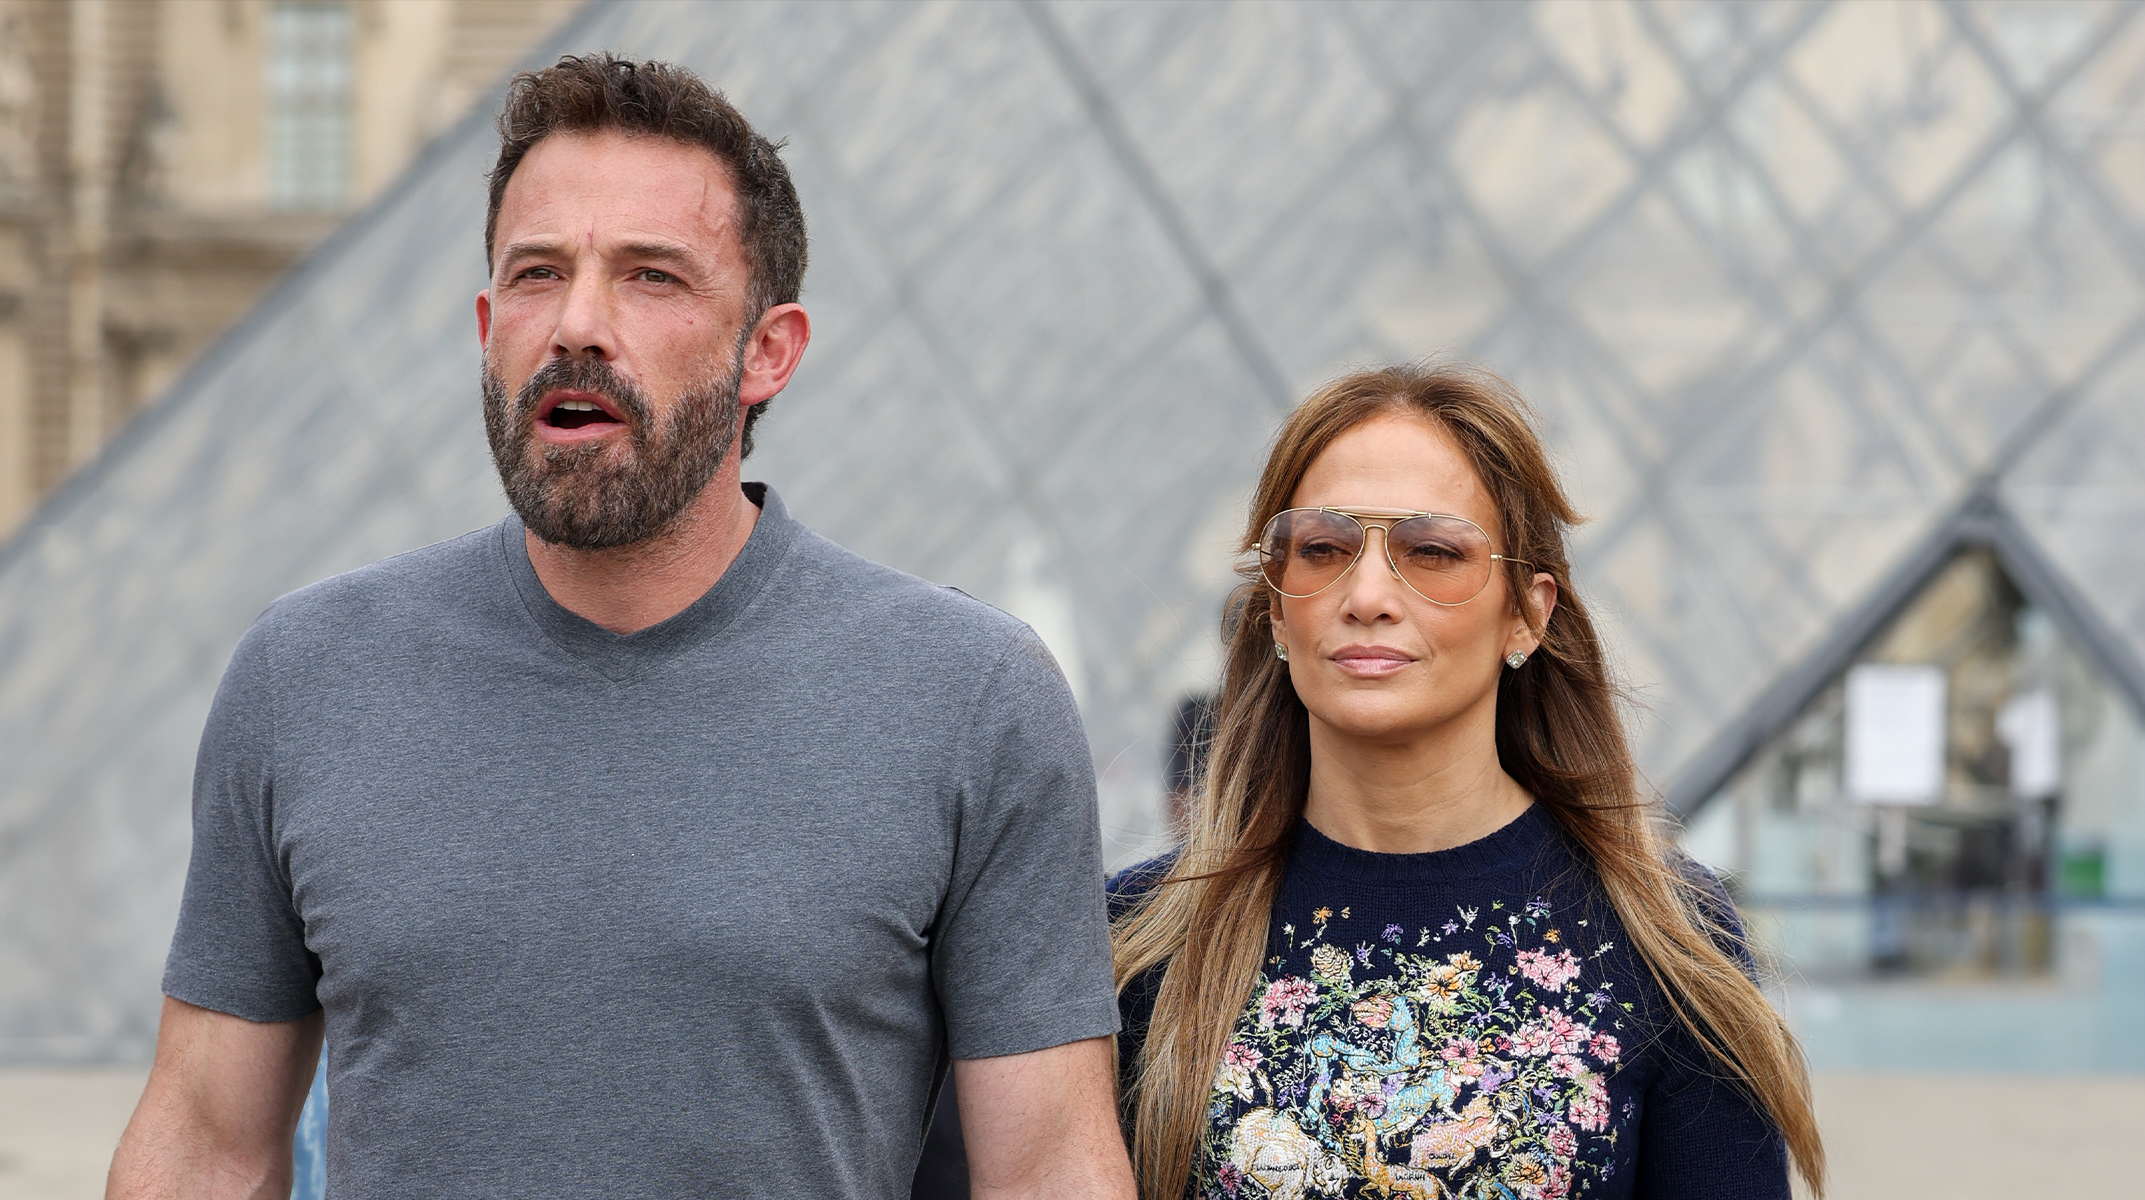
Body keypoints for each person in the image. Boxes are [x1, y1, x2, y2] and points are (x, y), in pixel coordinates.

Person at [107, 55, 1134, 1200]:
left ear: (769, 350)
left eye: (652, 277)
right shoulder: (302, 676)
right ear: (488, 327)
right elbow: (203, 1145)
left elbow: (1049, 1172)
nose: (578, 325)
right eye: (539, 275)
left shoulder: (973, 699)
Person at [1108, 365, 1825, 1200]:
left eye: (1434, 552)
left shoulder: (1667, 941)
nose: (1367, 594)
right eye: (1324, 549)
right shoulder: (1140, 942)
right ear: (1275, 607)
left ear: (1528, 612)